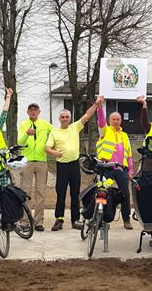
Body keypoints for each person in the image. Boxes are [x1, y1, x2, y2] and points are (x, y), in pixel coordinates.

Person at [44, 97, 103, 231]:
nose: (65, 119)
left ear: (70, 118)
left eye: (67, 117)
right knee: (61, 193)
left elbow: (87, 115)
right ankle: (59, 220)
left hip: (74, 165)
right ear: (59, 119)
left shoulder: (74, 127)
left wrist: (96, 104)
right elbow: (47, 148)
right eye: (63, 117)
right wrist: (55, 153)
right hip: (62, 166)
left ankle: (75, 220)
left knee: (75, 194)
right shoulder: (54, 131)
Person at [95, 97, 134, 230]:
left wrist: (130, 171)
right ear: (110, 121)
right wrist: (100, 107)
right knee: (103, 191)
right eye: (113, 119)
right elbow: (101, 122)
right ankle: (101, 218)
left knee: (125, 194)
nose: (116, 121)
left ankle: (126, 219)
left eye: (118, 119)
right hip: (107, 167)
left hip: (120, 169)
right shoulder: (105, 131)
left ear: (121, 121)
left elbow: (129, 155)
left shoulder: (125, 135)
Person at [17, 102, 53, 231]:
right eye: (31, 110)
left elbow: (55, 134)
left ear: (39, 112)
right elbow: (19, 142)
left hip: (42, 161)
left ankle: (38, 222)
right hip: (27, 161)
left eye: (35, 110)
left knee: (41, 192)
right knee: (25, 191)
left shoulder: (45, 124)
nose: (33, 112)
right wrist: (27, 133)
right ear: (27, 112)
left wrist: (51, 145)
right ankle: (25, 222)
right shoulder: (23, 125)